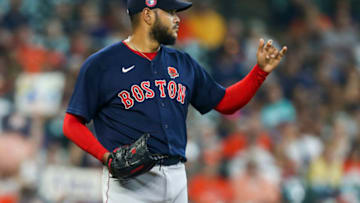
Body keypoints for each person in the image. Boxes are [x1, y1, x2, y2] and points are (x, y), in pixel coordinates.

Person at [62, 0, 287, 202]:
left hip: (177, 175)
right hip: (130, 183)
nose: (178, 19)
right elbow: (71, 123)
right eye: (170, 11)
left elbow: (225, 102)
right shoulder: (102, 64)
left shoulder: (183, 62)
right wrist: (107, 157)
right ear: (148, 15)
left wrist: (260, 72)